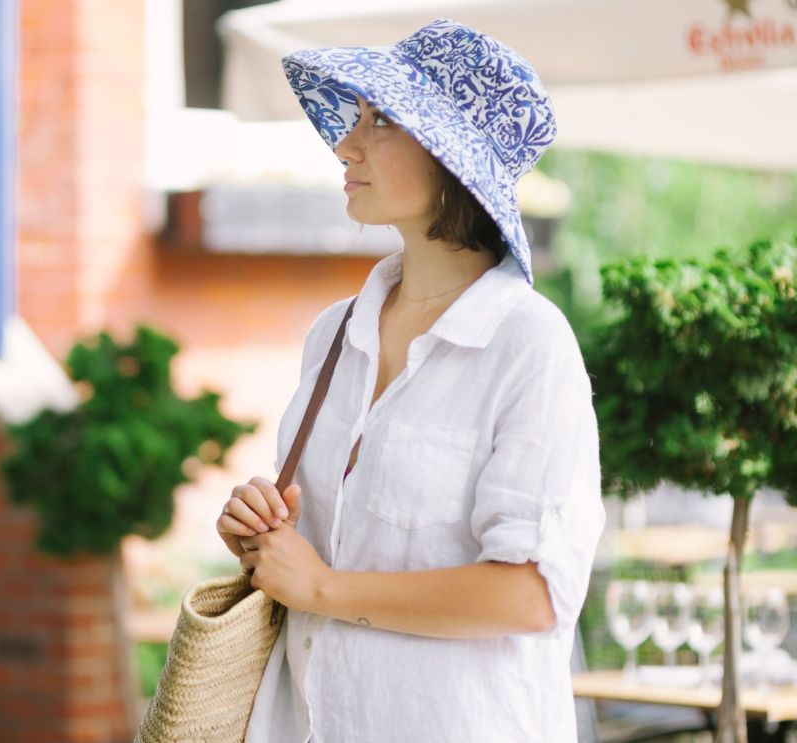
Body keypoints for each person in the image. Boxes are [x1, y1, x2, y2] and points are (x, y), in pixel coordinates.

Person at [215, 19, 605, 742]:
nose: (346, 144)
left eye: (382, 120)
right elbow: (314, 548)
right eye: (355, 117)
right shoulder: (333, 334)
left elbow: (530, 592)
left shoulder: (529, 344)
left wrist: (323, 588)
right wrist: (262, 532)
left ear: (453, 158)